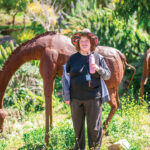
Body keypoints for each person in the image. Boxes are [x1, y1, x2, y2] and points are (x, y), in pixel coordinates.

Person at [62, 29, 111, 150]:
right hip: (76, 99)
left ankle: (94, 148)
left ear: (91, 43)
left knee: (94, 127)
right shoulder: (73, 58)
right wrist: (67, 96)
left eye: (86, 41)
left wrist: (98, 68)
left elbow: (108, 75)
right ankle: (79, 148)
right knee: (77, 127)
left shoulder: (98, 58)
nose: (84, 43)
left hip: (94, 98)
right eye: (81, 41)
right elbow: (65, 77)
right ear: (78, 43)